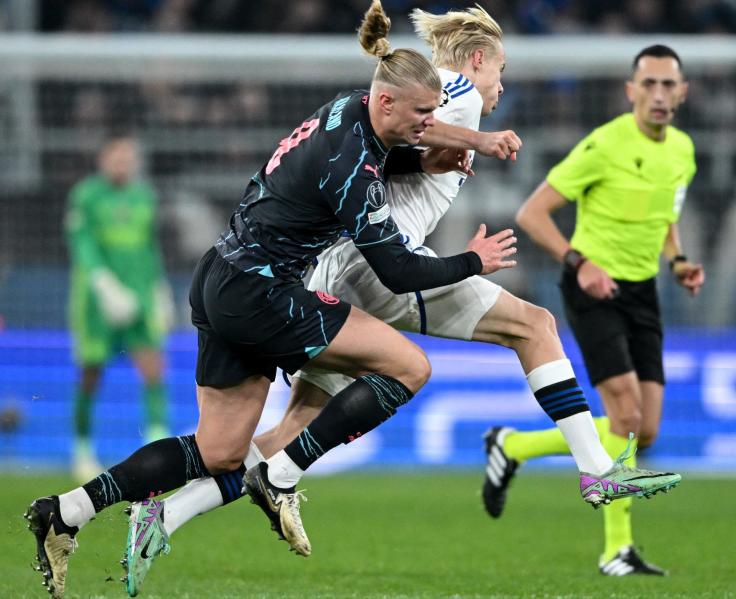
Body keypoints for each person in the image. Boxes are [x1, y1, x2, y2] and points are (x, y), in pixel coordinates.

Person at [116, 3, 683, 591]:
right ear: (478, 60)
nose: (501, 85)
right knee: (534, 325)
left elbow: (391, 142)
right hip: (379, 267)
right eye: (502, 70)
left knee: (292, 430)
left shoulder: (407, 106)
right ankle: (596, 472)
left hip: (335, 268)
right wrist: (477, 139)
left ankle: (166, 513)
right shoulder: (455, 92)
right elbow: (424, 124)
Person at [24, 4, 519, 597]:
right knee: (409, 367)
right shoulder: (351, 172)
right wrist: (474, 262)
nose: (427, 125)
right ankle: (281, 475)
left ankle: (66, 511)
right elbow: (395, 270)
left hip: (219, 276)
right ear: (387, 103)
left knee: (219, 451)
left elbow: (396, 146)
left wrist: (447, 147)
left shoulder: (345, 108)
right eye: (421, 116)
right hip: (263, 292)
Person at [486, 45, 705, 577]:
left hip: (643, 292)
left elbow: (666, 215)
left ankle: (512, 445)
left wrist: (676, 260)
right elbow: (532, 213)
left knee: (645, 429)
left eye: (667, 85)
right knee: (625, 417)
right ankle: (617, 549)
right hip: (591, 287)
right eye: (647, 84)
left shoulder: (683, 151)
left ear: (682, 93)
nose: (658, 94)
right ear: (631, 92)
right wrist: (578, 262)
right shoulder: (604, 145)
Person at [64, 136, 173, 481]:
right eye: (117, 156)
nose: (123, 163)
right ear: (103, 158)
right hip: (97, 302)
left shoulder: (144, 196)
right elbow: (82, 243)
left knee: (154, 368)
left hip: (139, 296)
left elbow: (149, 245)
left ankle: (158, 445)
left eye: (129, 157)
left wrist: (158, 287)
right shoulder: (86, 196)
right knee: (91, 372)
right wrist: (103, 284)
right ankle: (82, 449)